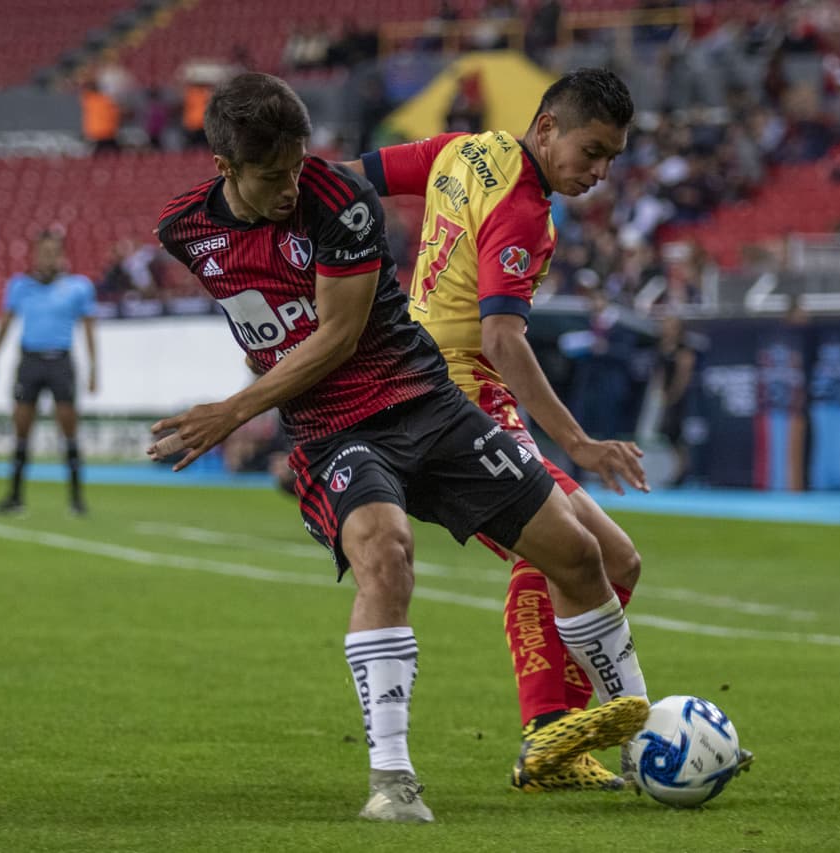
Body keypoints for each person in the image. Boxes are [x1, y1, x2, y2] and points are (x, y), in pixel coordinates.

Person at [149, 72, 655, 823]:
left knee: (585, 557)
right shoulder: (186, 229)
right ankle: (397, 777)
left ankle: (637, 736)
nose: (293, 187)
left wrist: (234, 410)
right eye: (274, 175)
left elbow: (338, 330)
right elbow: (488, 334)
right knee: (387, 554)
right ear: (226, 167)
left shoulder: (364, 193)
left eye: (299, 166)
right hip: (344, 428)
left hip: (430, 400)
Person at [349, 68, 661, 793]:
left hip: (444, 389)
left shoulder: (464, 150)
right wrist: (579, 443)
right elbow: (502, 338)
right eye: (591, 151)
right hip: (455, 405)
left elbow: (348, 179)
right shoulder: (521, 207)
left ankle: (559, 738)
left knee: (617, 562)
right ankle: (556, 728)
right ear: (546, 127)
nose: (600, 172)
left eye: (612, 158)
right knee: (563, 550)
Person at [0, 232, 98, 516]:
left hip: (60, 361)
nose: (48, 257)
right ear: (35, 254)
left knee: (68, 429)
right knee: (22, 429)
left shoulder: (78, 287)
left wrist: (94, 368)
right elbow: (6, 321)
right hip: (30, 361)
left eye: (53, 252)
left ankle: (76, 499)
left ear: (61, 255)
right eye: (43, 252)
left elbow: (88, 328)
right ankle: (15, 497)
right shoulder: (20, 286)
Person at [655, 315, 698, 488]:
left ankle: (684, 471)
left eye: (670, 326)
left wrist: (673, 395)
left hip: (681, 400)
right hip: (668, 398)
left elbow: (683, 376)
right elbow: (661, 373)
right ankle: (678, 470)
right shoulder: (663, 347)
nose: (666, 328)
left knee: (680, 436)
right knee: (670, 435)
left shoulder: (683, 349)